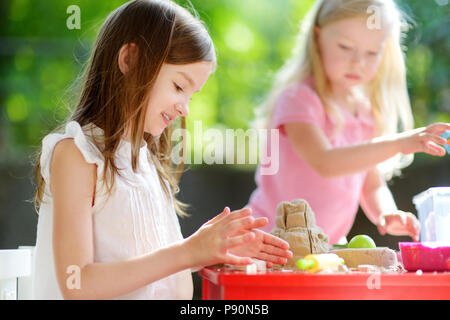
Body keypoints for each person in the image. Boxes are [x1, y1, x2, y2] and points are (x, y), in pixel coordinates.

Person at [32, 0, 292, 300]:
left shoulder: (145, 163)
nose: (184, 108)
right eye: (180, 87)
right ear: (129, 60)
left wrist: (209, 251)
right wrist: (188, 251)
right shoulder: (77, 155)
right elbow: (77, 285)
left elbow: (161, 271)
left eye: (193, 95)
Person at [247, 0, 450, 245]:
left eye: (372, 52)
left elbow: (371, 182)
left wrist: (385, 212)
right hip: (266, 241)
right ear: (317, 38)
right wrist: (399, 143)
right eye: (345, 47)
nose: (358, 62)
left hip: (322, 248)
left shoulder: (365, 112)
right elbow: (326, 162)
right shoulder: (298, 99)